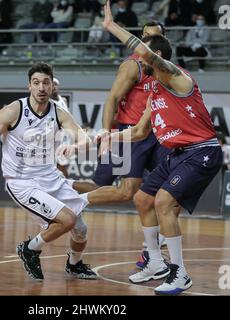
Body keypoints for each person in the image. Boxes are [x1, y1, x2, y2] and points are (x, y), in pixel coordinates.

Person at [100, 0, 223, 295]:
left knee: (163, 202)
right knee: (143, 199)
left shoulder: (176, 76)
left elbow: (144, 52)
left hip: (202, 151)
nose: (137, 62)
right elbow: (140, 131)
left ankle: (180, 273)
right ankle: (155, 262)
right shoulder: (153, 89)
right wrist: (103, 137)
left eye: (143, 58)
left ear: (156, 58)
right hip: (180, 154)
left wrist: (111, 26)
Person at [0, 62, 97, 281]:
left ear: (51, 86)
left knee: (81, 228)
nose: (41, 88)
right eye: (36, 83)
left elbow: (81, 136)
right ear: (29, 86)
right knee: (68, 220)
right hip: (22, 182)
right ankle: (30, 249)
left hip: (51, 177)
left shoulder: (59, 112)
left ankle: (74, 265)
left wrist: (79, 143)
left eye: (46, 82)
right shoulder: (13, 110)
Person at [71, 22, 172, 270]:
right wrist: (106, 133)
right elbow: (112, 99)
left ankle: (152, 249)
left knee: (168, 191)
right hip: (129, 133)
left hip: (155, 135)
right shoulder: (133, 65)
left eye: (154, 37)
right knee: (117, 190)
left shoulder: (166, 69)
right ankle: (64, 190)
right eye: (145, 36)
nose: (148, 40)